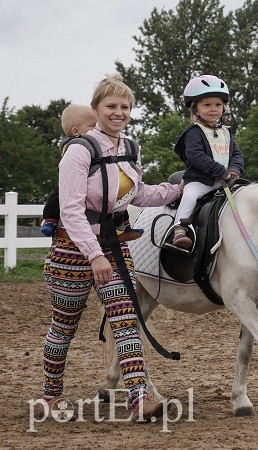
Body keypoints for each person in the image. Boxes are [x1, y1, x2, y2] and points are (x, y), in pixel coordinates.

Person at [42, 73, 183, 421]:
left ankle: (139, 398)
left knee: (125, 319)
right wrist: (93, 255)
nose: (119, 112)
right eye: (111, 106)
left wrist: (179, 188)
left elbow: (139, 195)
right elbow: (71, 210)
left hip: (116, 248)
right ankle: (51, 396)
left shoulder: (130, 148)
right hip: (72, 252)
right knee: (64, 325)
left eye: (125, 106)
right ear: (96, 109)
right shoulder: (79, 150)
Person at [172, 74, 244, 249]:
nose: (213, 109)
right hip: (200, 181)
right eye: (207, 104)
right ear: (195, 108)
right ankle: (178, 230)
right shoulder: (194, 132)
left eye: (218, 104)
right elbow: (195, 156)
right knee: (189, 196)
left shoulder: (226, 132)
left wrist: (234, 168)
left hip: (225, 182)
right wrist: (221, 171)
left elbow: (236, 154)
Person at [40, 105, 98, 236]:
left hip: (93, 180)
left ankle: (125, 222)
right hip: (75, 180)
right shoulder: (74, 145)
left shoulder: (98, 143)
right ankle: (50, 219)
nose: (97, 129)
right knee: (58, 196)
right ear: (76, 131)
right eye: (93, 125)